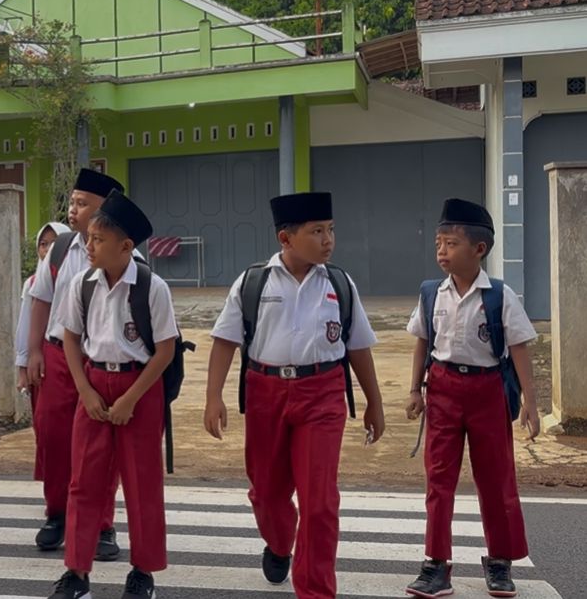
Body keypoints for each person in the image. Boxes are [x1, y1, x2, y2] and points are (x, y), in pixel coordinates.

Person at [203, 192, 385, 599]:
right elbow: (225, 341)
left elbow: (357, 346)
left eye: (331, 230)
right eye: (316, 231)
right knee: (266, 493)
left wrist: (374, 401)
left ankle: (315, 591)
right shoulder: (253, 282)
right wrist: (213, 397)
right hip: (265, 392)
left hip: (323, 394)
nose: (328, 240)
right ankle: (279, 542)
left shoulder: (339, 283)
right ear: (286, 238)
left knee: (320, 501)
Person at [404, 198, 538, 599]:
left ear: (478, 249)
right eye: (438, 243)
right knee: (439, 479)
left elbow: (519, 348)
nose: (441, 251)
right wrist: (415, 390)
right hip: (443, 389)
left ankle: (500, 560)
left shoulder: (499, 295)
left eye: (450, 243)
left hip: (487, 392)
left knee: (496, 479)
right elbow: (421, 341)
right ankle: (436, 564)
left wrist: (530, 401)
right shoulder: (432, 294)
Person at [48, 190, 175, 599]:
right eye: (89, 239)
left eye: (98, 240)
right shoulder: (82, 285)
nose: (89, 246)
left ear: (125, 247)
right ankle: (77, 572)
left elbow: (165, 350)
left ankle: (143, 572)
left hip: (139, 389)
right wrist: (84, 390)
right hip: (95, 385)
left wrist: (131, 399)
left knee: (142, 483)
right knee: (83, 481)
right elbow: (70, 338)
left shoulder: (153, 288)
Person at [25, 168, 124, 557]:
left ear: (105, 209)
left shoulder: (123, 249)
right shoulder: (61, 249)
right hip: (55, 357)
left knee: (100, 443)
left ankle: (102, 525)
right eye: (72, 201)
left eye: (82, 204)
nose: (72, 210)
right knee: (52, 435)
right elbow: (40, 300)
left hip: (99, 359)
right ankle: (57, 513)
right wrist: (32, 352)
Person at [16, 221, 71, 469]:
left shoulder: (72, 275)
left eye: (53, 244)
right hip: (42, 359)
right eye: (43, 244)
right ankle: (49, 474)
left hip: (65, 352)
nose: (47, 249)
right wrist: (23, 364)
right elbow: (25, 323)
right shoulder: (32, 283)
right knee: (46, 423)